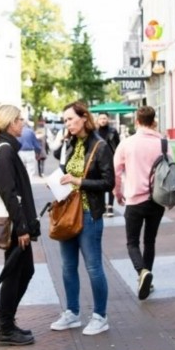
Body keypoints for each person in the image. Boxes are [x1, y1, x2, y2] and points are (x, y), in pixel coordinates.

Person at [50, 101, 115, 336]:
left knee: (93, 266)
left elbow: (109, 183)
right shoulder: (70, 144)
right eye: (65, 120)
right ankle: (72, 313)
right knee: (68, 266)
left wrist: (78, 181)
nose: (67, 123)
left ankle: (100, 316)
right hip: (68, 212)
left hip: (89, 214)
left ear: (83, 118)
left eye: (70, 119)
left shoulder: (100, 146)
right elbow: (60, 162)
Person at [0, 104, 41, 346]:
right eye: (19, 120)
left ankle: (7, 323)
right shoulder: (5, 151)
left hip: (15, 222)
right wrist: (22, 228)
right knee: (15, 272)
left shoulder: (3, 148)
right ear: (10, 123)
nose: (23, 123)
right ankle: (5, 327)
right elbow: (9, 193)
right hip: (13, 224)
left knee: (23, 271)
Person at [113, 106, 172, 300]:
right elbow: (172, 169)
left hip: (135, 199)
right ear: (153, 121)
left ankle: (141, 272)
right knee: (150, 241)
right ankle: (148, 277)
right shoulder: (163, 143)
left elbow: (116, 170)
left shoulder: (127, 143)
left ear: (137, 121)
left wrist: (118, 192)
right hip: (156, 200)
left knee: (132, 242)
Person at [97, 112, 121, 217]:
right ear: (98, 120)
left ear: (108, 119)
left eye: (105, 118)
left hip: (111, 160)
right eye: (101, 118)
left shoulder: (113, 131)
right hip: (98, 161)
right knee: (100, 183)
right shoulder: (94, 132)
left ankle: (110, 206)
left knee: (111, 183)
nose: (103, 120)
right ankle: (102, 206)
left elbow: (118, 146)